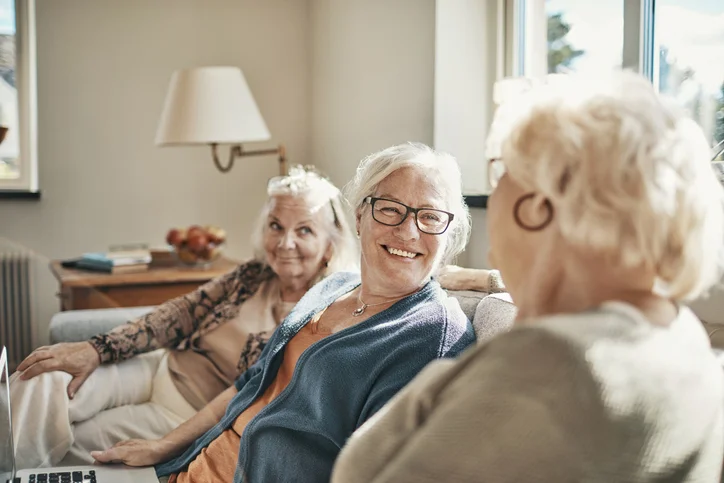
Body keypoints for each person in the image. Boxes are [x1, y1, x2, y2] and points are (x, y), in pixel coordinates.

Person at [331, 71, 724, 482]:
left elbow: (359, 473)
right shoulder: (682, 337)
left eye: (502, 175)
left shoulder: (555, 363)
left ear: (540, 205)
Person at [88, 142, 477, 483]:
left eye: (429, 216)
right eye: (390, 210)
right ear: (360, 217)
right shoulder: (329, 289)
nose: (409, 231)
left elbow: (374, 468)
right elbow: (251, 383)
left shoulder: (433, 334)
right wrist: (162, 447)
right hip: (185, 467)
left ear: (450, 232)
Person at [10, 165, 359, 468]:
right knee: (44, 378)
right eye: (276, 225)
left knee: (72, 444)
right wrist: (96, 349)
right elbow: (184, 312)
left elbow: (257, 393)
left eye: (304, 231)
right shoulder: (253, 274)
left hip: (183, 413)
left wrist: (168, 444)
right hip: (156, 367)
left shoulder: (323, 313)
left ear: (330, 245)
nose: (284, 243)